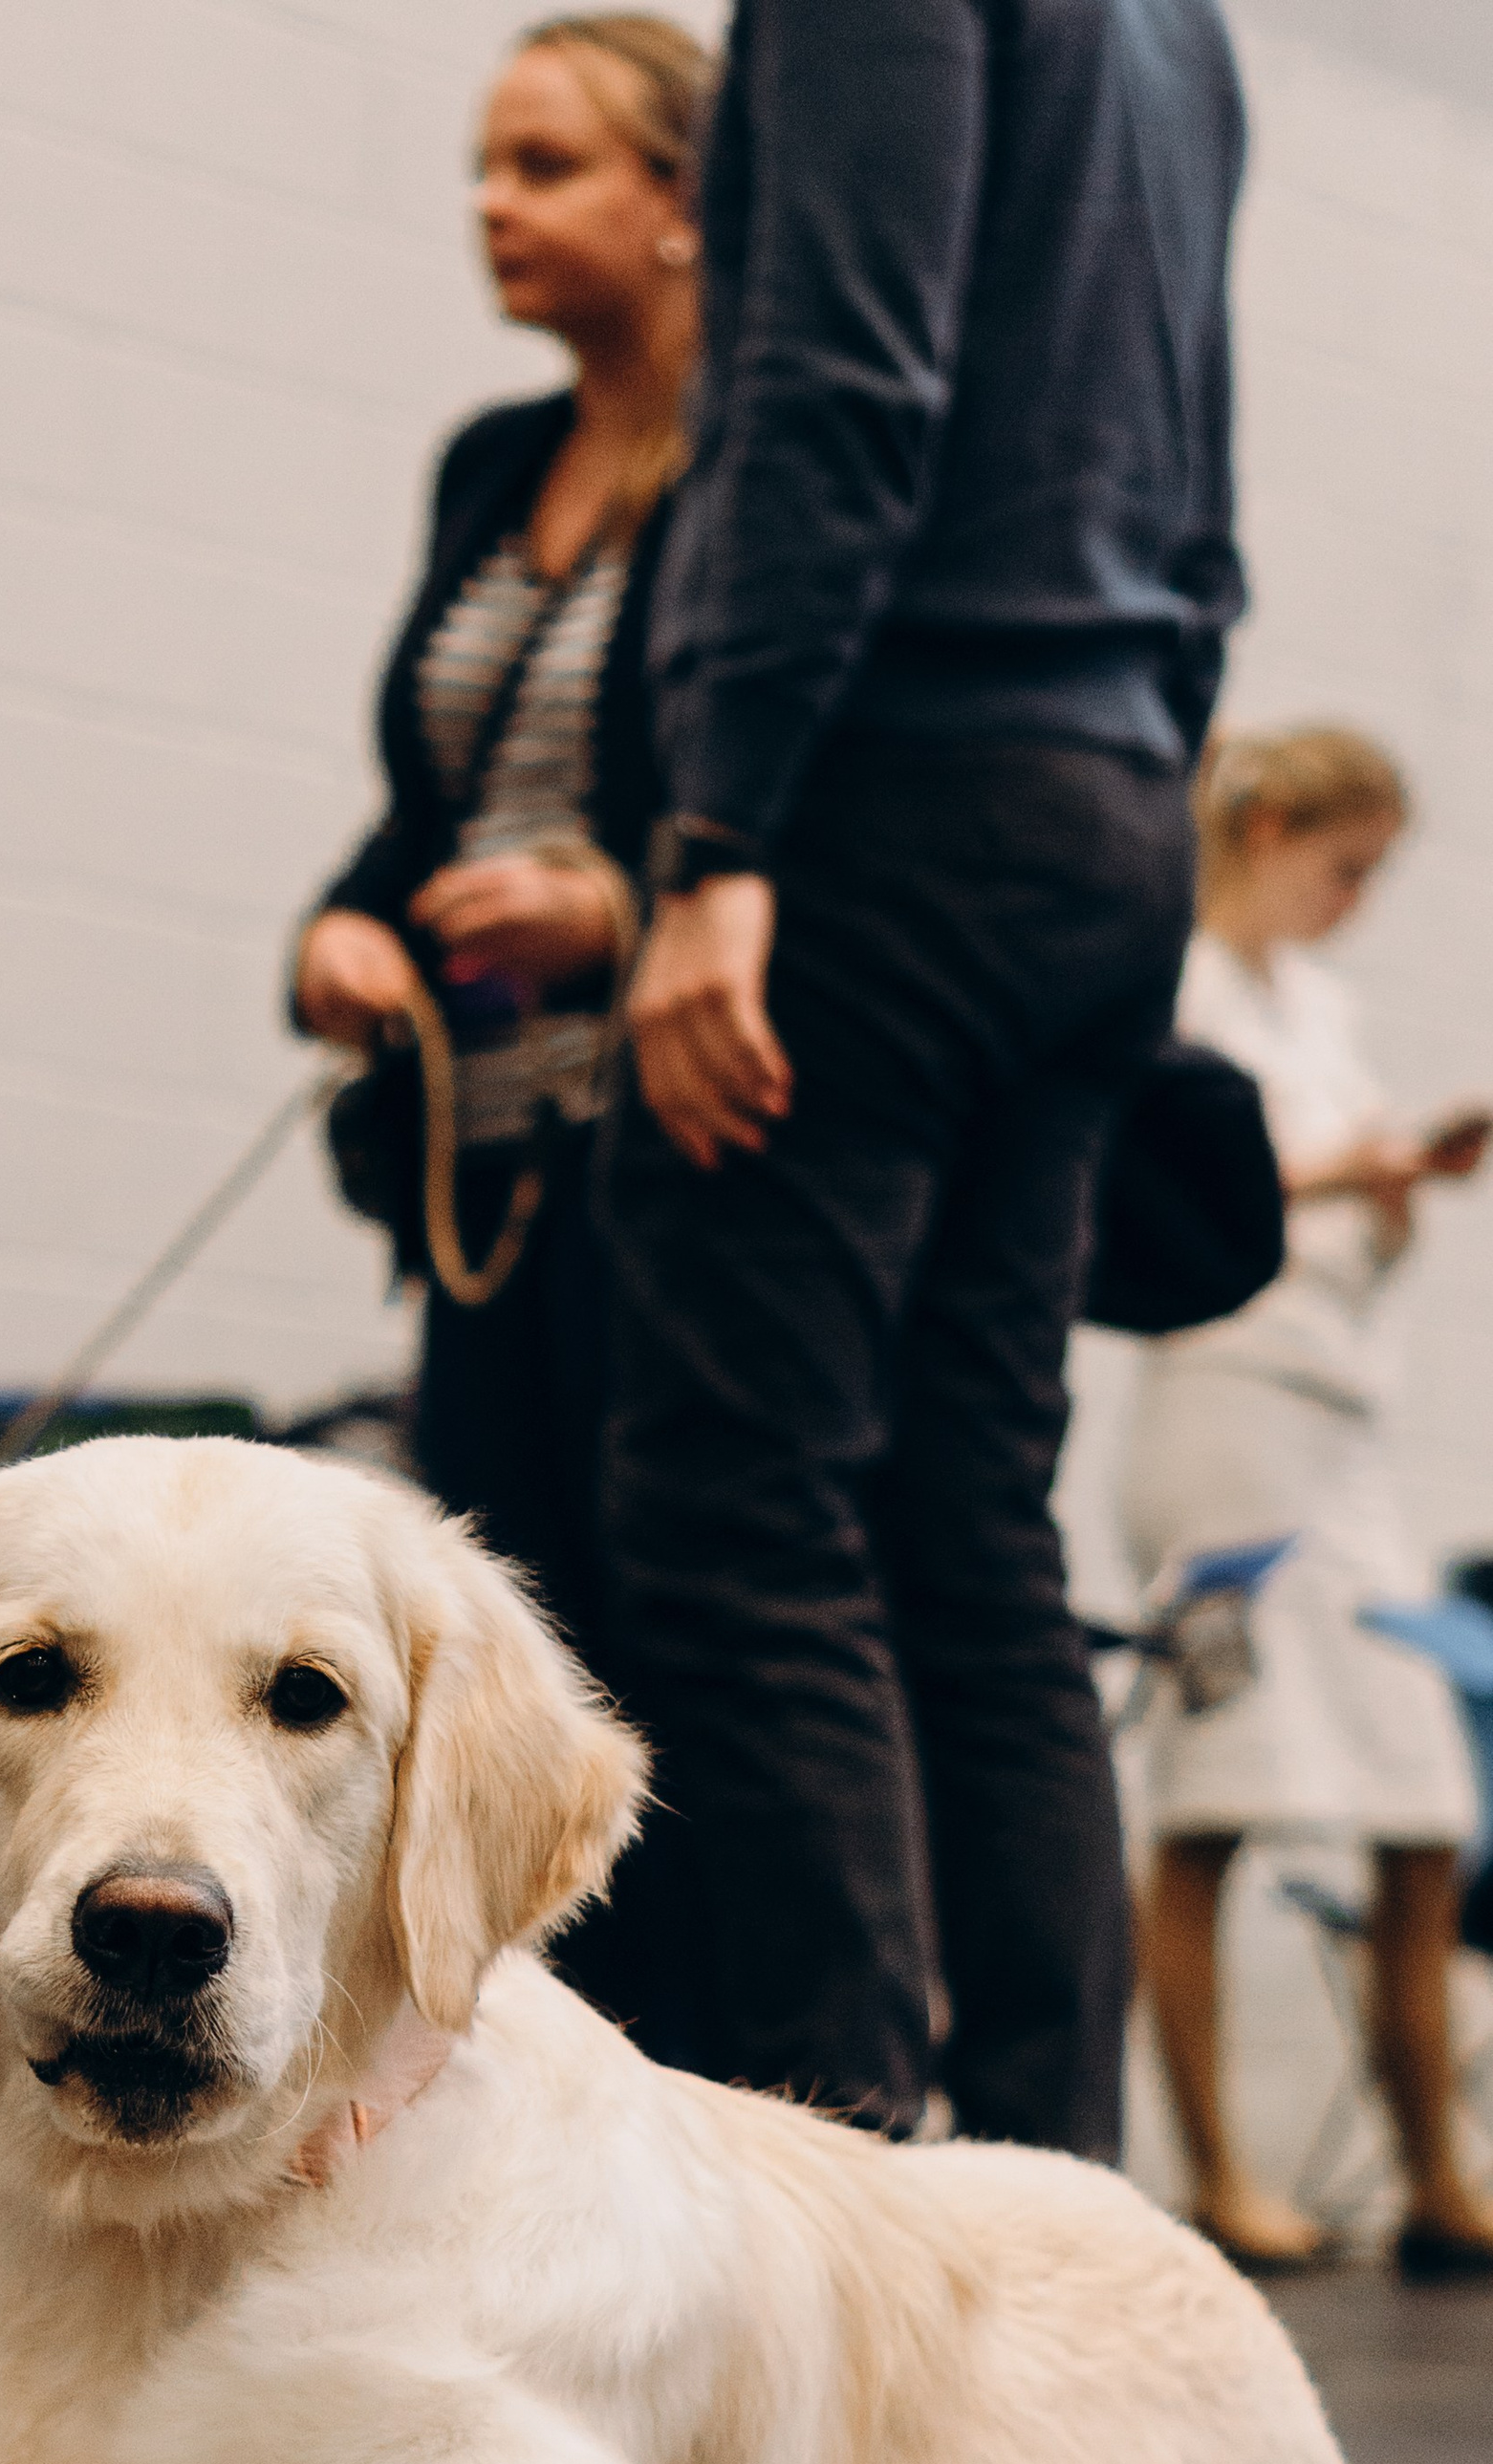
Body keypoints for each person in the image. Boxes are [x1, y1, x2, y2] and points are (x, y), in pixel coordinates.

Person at [598, 0, 1246, 2153]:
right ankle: (1049, 2195)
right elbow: (1205, 502)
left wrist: (717, 836)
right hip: (1102, 800)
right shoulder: (1177, 28)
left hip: (889, 789)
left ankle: (852, 2187)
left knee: (739, 1506)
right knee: (969, 1527)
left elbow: (832, 387)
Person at [292, 14, 714, 1676]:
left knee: (667, 1623)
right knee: (493, 1611)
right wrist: (340, 929)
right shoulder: (490, 460)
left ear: (682, 199)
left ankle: (675, 1953)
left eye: (546, 166)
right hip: (483, 1146)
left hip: (673, 1146)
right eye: (483, 167)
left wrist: (616, 919)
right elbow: (435, 797)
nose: (492, 204)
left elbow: (802, 805)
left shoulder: (763, 468)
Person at [1122, 726, 1493, 2278]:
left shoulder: (1320, 1014)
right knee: (1217, 1794)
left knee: (1425, 1809)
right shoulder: (1174, 984)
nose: (1354, 901)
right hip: (1228, 1424)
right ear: (1265, 828)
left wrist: (1391, 1195)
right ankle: (1221, 2175)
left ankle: (1438, 2178)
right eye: (1343, 867)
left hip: (1347, 1437)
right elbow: (1173, 1198)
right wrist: (1352, 1170)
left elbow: (1330, 1202)